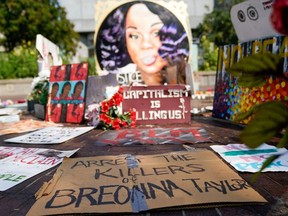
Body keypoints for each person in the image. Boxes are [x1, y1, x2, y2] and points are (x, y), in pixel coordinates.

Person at [96, 1, 189, 85]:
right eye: (134, 36)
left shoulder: (177, 74)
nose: (145, 44)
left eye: (156, 33)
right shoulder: (118, 82)